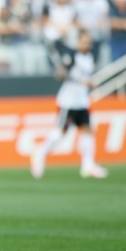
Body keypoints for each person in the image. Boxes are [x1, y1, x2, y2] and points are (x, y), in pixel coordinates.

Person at [31, 31, 108, 179]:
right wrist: (79, 80)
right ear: (78, 42)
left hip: (82, 101)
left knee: (88, 130)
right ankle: (39, 154)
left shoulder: (90, 57)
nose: (87, 45)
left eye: (89, 42)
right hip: (68, 101)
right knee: (61, 133)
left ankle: (88, 165)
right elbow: (59, 75)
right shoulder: (71, 56)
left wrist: (89, 83)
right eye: (84, 42)